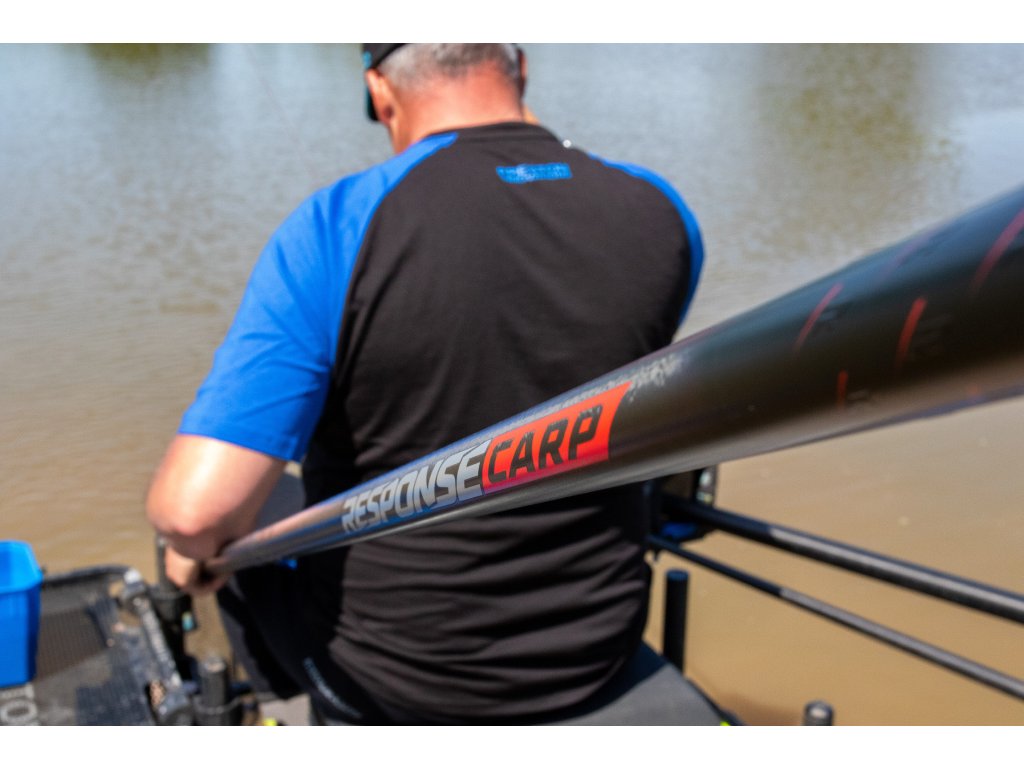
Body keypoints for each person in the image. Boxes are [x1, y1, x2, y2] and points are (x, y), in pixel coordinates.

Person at [147, 43, 720, 725]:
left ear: (379, 92)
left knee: (219, 517)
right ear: (519, 68)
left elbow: (193, 513)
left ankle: (283, 708)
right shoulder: (662, 212)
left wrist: (189, 555)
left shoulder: (335, 225)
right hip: (596, 653)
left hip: (396, 683)